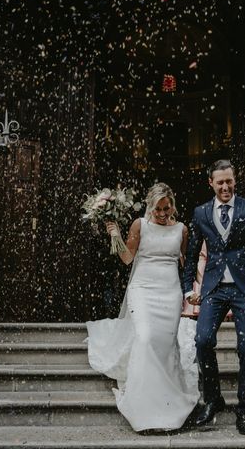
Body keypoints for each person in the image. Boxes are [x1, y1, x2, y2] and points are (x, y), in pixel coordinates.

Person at [85, 183, 199, 432]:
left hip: (169, 292)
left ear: (172, 205)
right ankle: (143, 403)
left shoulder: (182, 229)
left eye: (166, 208)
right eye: (157, 208)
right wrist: (114, 234)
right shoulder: (140, 225)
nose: (161, 213)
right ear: (150, 205)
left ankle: (169, 400)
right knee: (146, 338)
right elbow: (128, 258)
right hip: (143, 290)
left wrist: (194, 289)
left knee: (166, 344)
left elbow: (185, 262)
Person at [183, 159, 245, 435]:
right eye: (220, 182)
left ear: (234, 181)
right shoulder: (201, 213)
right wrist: (189, 290)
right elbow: (191, 254)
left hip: (244, 288)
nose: (225, 186)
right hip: (213, 289)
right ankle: (213, 399)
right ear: (211, 183)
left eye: (229, 181)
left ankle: (244, 410)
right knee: (202, 340)